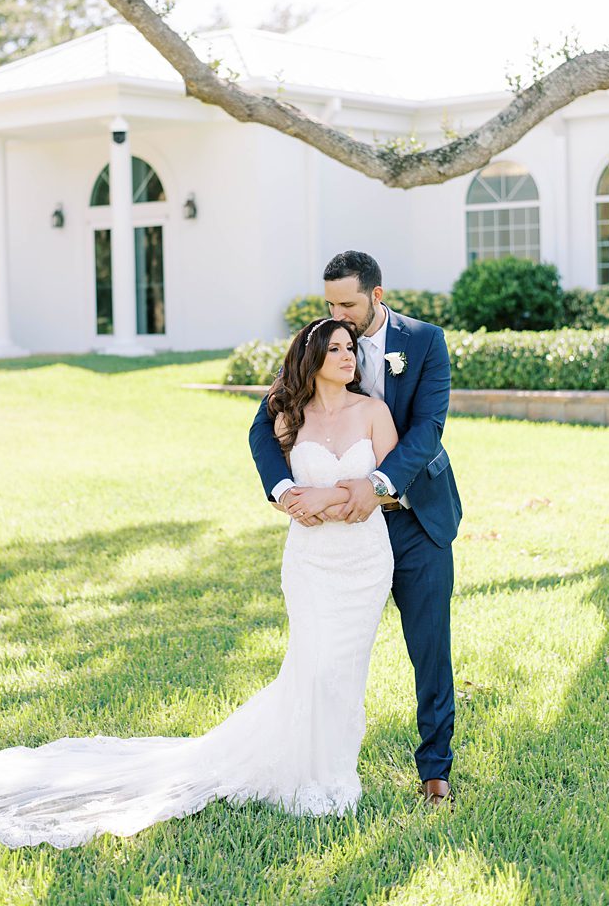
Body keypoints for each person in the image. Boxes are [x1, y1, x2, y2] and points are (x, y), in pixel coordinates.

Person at [0, 319, 396, 846]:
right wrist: (299, 496)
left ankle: (332, 767)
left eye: (351, 348)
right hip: (311, 563)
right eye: (334, 348)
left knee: (345, 667)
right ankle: (307, 769)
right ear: (311, 359)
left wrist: (326, 498)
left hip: (363, 562)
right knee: (312, 664)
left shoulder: (374, 412)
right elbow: (283, 486)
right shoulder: (290, 417)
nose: (347, 356)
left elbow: (391, 489)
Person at [251, 250, 462, 806]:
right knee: (328, 656)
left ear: (377, 294)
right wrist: (285, 491)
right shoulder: (320, 343)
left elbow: (427, 431)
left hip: (414, 519)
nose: (338, 316)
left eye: (348, 304)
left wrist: (376, 485)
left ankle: (435, 770)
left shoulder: (425, 342)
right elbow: (262, 425)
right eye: (329, 304)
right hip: (336, 540)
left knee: (430, 647)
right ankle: (317, 756)